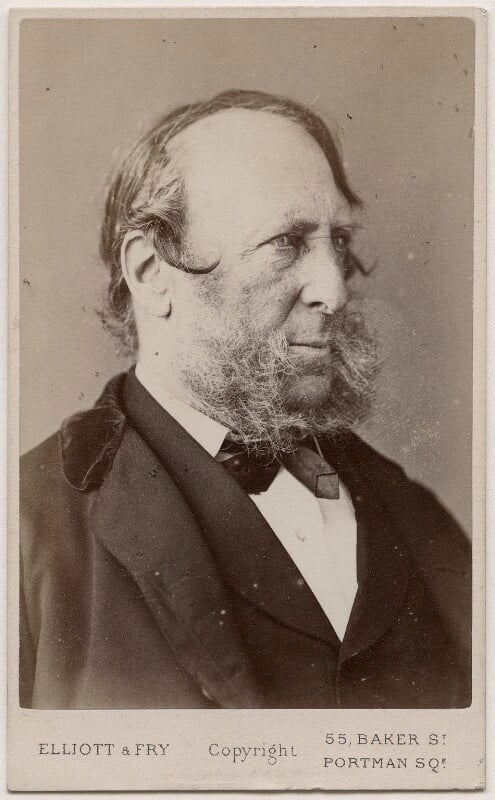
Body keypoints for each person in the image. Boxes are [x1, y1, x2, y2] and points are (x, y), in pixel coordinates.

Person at [20, 89, 471, 710]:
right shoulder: (27, 533)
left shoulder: (416, 517)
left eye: (338, 242)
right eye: (287, 242)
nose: (334, 290)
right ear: (153, 272)